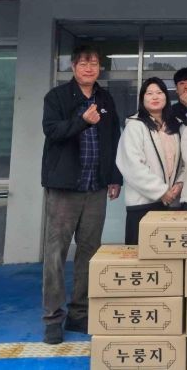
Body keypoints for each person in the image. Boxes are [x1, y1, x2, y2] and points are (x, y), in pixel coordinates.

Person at [41, 45, 122, 344]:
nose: (89, 68)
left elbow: (113, 138)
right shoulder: (57, 97)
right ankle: (53, 317)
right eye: (84, 63)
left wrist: (114, 177)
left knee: (89, 251)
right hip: (65, 188)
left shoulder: (105, 99)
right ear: (73, 66)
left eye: (95, 63)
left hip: (95, 187)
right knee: (56, 253)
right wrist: (83, 121)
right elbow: (52, 131)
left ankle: (79, 312)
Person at [116, 77, 184, 245]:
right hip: (143, 204)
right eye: (149, 93)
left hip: (172, 204)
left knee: (169, 256)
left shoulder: (177, 126)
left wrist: (180, 183)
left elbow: (185, 162)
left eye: (159, 93)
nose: (155, 97)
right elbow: (132, 165)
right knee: (140, 255)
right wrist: (161, 192)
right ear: (142, 98)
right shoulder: (135, 126)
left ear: (166, 97)